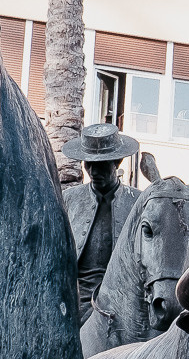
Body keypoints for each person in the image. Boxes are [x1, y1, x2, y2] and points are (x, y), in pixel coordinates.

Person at [61, 123, 142, 314]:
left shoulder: (138, 202)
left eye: (102, 166)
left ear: (117, 163)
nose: (94, 172)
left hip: (122, 302)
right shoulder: (69, 198)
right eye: (89, 164)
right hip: (74, 301)